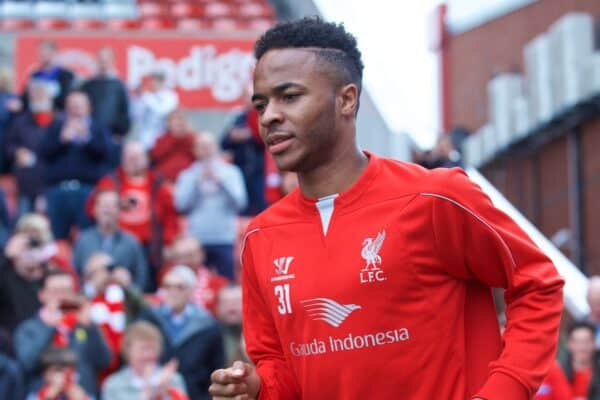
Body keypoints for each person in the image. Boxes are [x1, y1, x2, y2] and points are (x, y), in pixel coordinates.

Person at [208, 17, 564, 400]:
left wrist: (502, 391)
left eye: (289, 96)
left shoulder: (435, 197)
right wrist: (257, 388)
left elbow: (538, 285)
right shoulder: (261, 237)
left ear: (346, 99)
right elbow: (280, 368)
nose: (269, 116)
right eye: (261, 104)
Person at [91, 140, 180, 281]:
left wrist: (168, 243)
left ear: (146, 159)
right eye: (129, 157)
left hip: (150, 247)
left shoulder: (158, 183)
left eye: (137, 157)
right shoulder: (110, 182)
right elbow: (92, 208)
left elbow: (170, 217)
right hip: (117, 244)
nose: (133, 161)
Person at [14, 270, 111, 397]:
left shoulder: (83, 324)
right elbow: (28, 364)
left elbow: (104, 360)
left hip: (82, 394)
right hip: (44, 394)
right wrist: (50, 328)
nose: (62, 297)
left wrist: (91, 327)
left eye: (66, 291)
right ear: (42, 295)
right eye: (56, 291)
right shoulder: (29, 328)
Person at [37, 90, 112, 240]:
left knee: (88, 235)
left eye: (79, 106)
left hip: (87, 189)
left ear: (88, 108)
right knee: (56, 237)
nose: (75, 109)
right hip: (58, 190)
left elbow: (107, 155)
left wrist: (87, 140)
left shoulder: (97, 128)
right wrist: (61, 140)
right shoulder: (56, 127)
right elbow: (43, 153)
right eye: (71, 106)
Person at [141, 265, 225, 400]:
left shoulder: (208, 326)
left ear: (191, 291)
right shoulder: (149, 319)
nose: (172, 292)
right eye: (167, 286)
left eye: (179, 287)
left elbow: (216, 368)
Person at [174, 133, 247, 281]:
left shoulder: (231, 172)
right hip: (196, 241)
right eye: (201, 146)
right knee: (195, 284)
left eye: (209, 145)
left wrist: (222, 183)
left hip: (224, 238)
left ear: (216, 147)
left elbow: (240, 203)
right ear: (195, 150)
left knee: (226, 282)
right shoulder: (187, 175)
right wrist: (196, 184)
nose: (206, 150)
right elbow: (180, 206)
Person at [73, 189, 149, 291]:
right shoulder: (83, 240)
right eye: (103, 205)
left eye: (112, 205)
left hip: (123, 299)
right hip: (89, 300)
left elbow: (142, 280)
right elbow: (74, 277)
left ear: (120, 210)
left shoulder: (131, 242)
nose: (107, 210)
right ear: (94, 210)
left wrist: (127, 286)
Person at [101, 321, 188, 400]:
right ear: (128, 351)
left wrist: (166, 395)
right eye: (143, 349)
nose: (148, 355)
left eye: (152, 348)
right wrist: (148, 393)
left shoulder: (173, 380)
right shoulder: (114, 385)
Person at [4, 80, 54, 214]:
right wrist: (16, 152)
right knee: (23, 221)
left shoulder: (58, 120)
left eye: (41, 95)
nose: (38, 99)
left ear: (49, 97)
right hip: (25, 182)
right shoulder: (20, 121)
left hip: (51, 182)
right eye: (34, 96)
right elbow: (8, 145)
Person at [162, 235, 228, 316]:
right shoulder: (164, 280)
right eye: (180, 256)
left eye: (190, 255)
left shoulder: (219, 284)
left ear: (202, 254)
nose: (186, 260)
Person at [80, 47, 130, 139]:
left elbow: (124, 111)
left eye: (106, 60)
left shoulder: (119, 86)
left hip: (112, 135)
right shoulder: (87, 85)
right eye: (100, 60)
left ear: (112, 61)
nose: (103, 63)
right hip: (89, 134)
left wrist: (120, 133)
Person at [22, 40, 75, 112]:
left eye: (46, 51)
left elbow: (66, 97)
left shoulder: (65, 75)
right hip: (36, 113)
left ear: (54, 52)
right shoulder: (35, 75)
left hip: (57, 113)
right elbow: (26, 96)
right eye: (40, 52)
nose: (43, 54)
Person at [150, 108, 196, 182]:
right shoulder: (161, 139)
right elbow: (156, 156)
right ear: (168, 122)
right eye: (175, 119)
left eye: (181, 118)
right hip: (165, 180)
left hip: (189, 180)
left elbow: (199, 155)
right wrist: (174, 137)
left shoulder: (193, 139)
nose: (179, 122)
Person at [563, 321, 596, 399]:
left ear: (594, 343)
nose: (582, 347)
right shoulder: (558, 373)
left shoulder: (597, 374)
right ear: (569, 344)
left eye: (586, 341)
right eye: (577, 341)